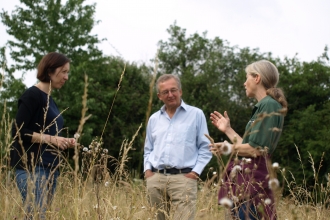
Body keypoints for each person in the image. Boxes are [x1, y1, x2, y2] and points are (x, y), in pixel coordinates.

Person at [210, 60, 287, 220]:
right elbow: (249, 145)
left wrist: (228, 148)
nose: (245, 83)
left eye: (247, 78)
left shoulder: (269, 105)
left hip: (254, 184)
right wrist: (228, 130)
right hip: (245, 183)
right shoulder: (263, 106)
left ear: (257, 78)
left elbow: (256, 150)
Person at [10, 52, 76, 219]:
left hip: (50, 167)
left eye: (67, 72)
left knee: (37, 216)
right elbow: (18, 131)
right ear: (49, 71)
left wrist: (63, 141)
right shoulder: (32, 95)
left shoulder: (50, 100)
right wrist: (51, 139)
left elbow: (49, 133)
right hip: (32, 168)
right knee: (36, 216)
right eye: (63, 71)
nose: (66, 77)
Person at [143, 74, 212, 220]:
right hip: (156, 179)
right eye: (165, 92)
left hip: (184, 179)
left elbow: (206, 147)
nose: (170, 94)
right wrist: (148, 171)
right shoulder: (154, 119)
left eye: (173, 90)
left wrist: (195, 173)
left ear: (180, 91)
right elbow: (148, 149)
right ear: (159, 96)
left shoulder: (196, 114)